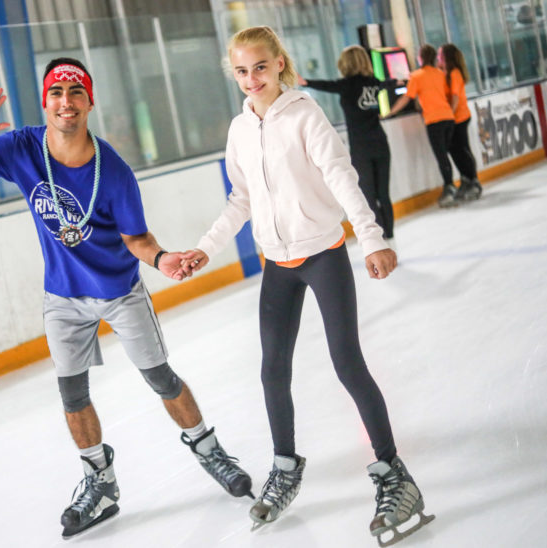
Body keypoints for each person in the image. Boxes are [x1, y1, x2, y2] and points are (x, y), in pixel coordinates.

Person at [0, 57, 252, 539]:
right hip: (62, 297)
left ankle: (210, 452)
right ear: (46, 102)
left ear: (89, 102)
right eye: (57, 93)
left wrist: (161, 257)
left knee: (162, 378)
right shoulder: (22, 148)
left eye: (75, 93)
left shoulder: (115, 170)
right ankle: (100, 481)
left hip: (119, 292)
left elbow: (137, 238)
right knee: (72, 394)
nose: (66, 102)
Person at [181, 27, 434, 545]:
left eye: (259, 67)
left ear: (279, 64)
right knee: (273, 370)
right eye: (241, 70)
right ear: (234, 75)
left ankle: (395, 475)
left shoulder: (303, 114)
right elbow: (240, 200)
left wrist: (372, 237)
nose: (251, 78)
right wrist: (207, 246)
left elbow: (342, 176)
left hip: (323, 254)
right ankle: (285, 466)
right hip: (277, 264)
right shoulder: (238, 130)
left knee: (347, 363)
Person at [300, 45, 396, 241]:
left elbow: (329, 85)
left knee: (369, 195)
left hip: (362, 147)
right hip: (380, 142)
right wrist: (396, 80)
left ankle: (381, 239)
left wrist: (307, 82)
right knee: (383, 195)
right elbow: (387, 84)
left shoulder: (348, 85)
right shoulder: (373, 82)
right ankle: (391, 237)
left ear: (346, 64)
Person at [387, 44, 459, 208]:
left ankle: (450, 187)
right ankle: (453, 184)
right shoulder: (440, 74)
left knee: (441, 156)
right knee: (446, 155)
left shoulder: (416, 76)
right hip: (448, 118)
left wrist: (390, 112)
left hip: (434, 121)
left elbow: (407, 97)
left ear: (420, 58)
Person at [438, 43, 483, 201]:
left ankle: (473, 179)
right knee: (453, 150)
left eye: (440, 55)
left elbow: (456, 97)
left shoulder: (455, 73)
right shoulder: (443, 73)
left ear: (446, 57)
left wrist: (449, 113)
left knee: (462, 149)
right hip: (452, 119)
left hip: (460, 117)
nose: (438, 57)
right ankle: (465, 177)